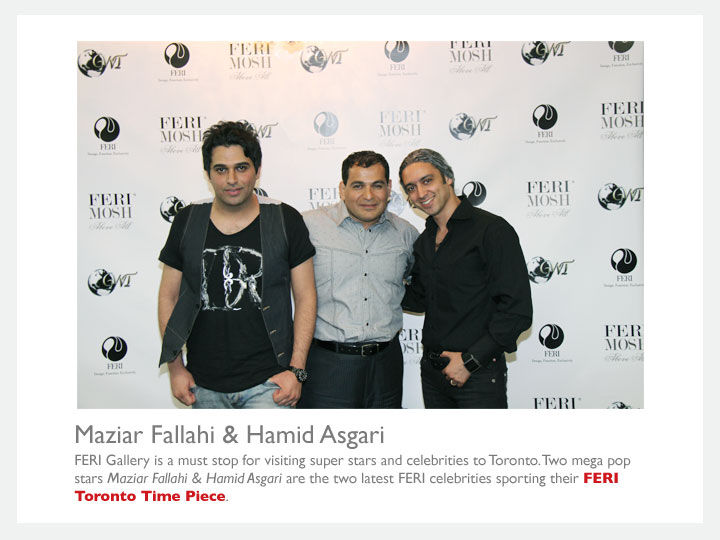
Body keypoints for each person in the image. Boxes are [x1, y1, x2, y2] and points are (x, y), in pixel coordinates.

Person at [157, 121, 317, 408]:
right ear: (208, 173)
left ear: (257, 169)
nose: (232, 179)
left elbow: (306, 297)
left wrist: (297, 371)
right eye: (221, 169)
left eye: (241, 168)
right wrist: (176, 368)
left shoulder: (285, 219)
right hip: (203, 383)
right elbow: (168, 296)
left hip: (271, 384)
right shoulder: (187, 221)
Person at [399, 149, 532, 408]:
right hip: (432, 374)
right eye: (411, 188)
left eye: (427, 180)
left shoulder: (492, 230)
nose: (420, 193)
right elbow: (419, 298)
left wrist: (470, 361)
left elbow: (517, 311)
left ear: (448, 178)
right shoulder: (425, 240)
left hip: (478, 374)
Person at [298, 151, 418, 408]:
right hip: (327, 365)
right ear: (342, 189)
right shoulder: (308, 226)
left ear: (389, 188)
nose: (368, 195)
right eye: (358, 186)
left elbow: (418, 285)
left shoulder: (407, 235)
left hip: (386, 365)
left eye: (377, 185)